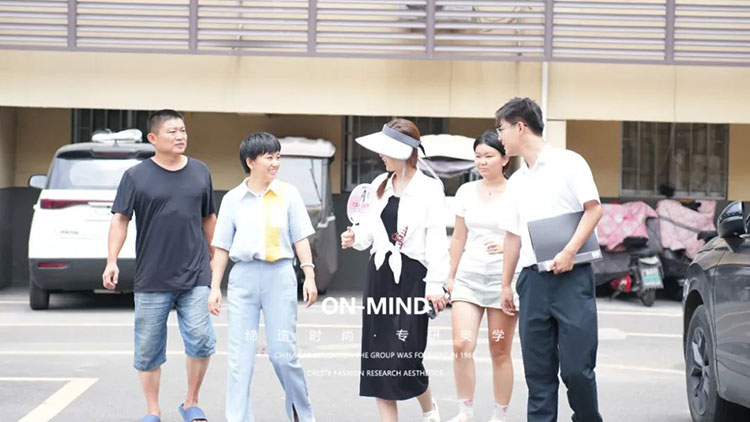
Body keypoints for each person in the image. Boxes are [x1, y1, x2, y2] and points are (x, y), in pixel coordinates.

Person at [103, 109, 217, 422]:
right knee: (148, 348)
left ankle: (191, 403)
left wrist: (215, 258)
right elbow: (120, 219)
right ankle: (152, 410)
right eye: (172, 131)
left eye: (183, 130)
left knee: (201, 340)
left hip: (195, 274)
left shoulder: (200, 171)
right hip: (152, 276)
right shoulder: (136, 176)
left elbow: (209, 217)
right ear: (153, 138)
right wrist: (112, 260)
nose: (180, 136)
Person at [496, 97, 604, 422]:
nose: (499, 137)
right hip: (532, 282)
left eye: (501, 129)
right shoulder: (517, 181)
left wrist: (569, 251)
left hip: (572, 279)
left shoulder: (569, 163)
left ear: (520, 127)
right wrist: (506, 284)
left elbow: (594, 209)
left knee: (577, 369)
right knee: (538, 373)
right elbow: (512, 235)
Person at [341, 118, 449, 422]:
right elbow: (368, 233)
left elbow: (437, 239)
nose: (380, 155)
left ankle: (429, 408)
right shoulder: (379, 184)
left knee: (406, 357)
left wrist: (435, 285)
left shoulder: (430, 188)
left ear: (404, 151)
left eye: (385, 150)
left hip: (414, 279)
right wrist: (354, 237)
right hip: (380, 277)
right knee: (379, 360)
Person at [208, 132, 318, 422]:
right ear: (250, 161)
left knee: (283, 354)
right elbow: (221, 247)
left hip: (279, 276)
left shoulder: (288, 194)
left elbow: (301, 238)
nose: (275, 163)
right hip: (243, 279)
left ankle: (302, 415)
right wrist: (215, 287)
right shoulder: (233, 199)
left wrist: (309, 275)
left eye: (278, 157)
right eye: (269, 157)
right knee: (239, 359)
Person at [445, 130, 519, 422]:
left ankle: (499, 414)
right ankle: (465, 410)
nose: (482, 162)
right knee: (461, 345)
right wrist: (450, 275)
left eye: (488, 156)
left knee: (499, 350)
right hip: (468, 279)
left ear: (505, 158)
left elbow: (527, 234)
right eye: (478, 156)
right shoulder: (465, 192)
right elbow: (458, 237)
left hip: (504, 281)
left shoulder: (518, 192)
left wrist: (506, 244)